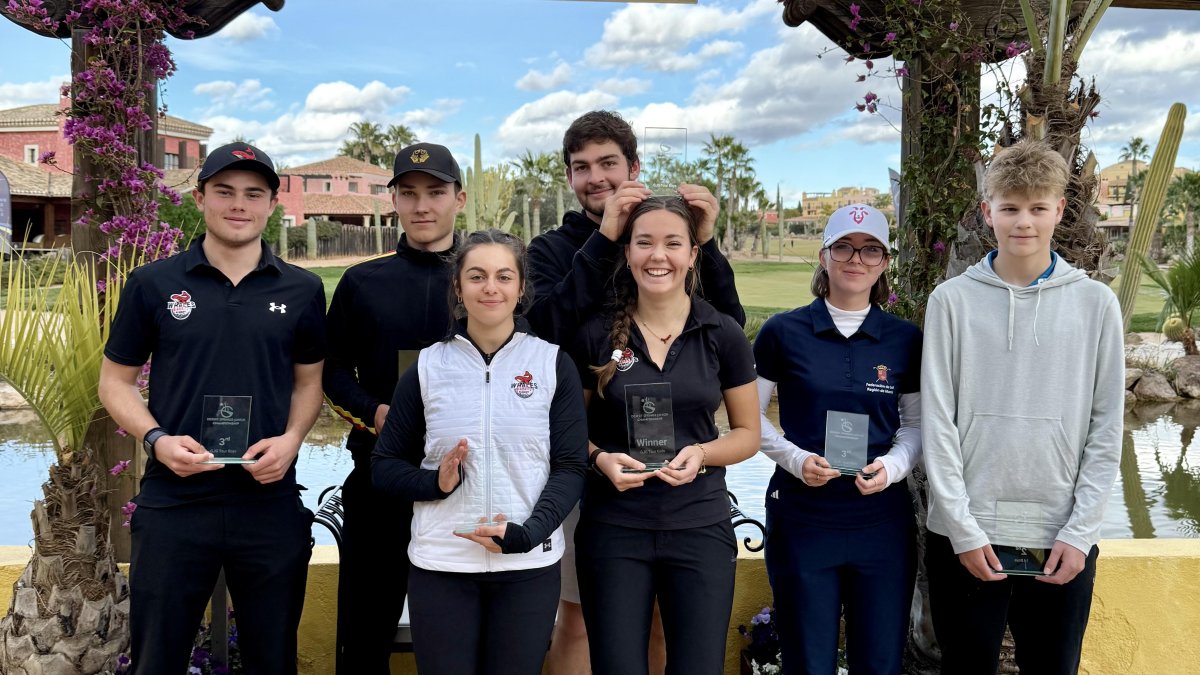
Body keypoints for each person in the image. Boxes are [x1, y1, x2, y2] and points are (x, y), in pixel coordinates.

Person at [98, 143, 326, 675]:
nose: (239, 204)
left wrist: (292, 440)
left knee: (273, 660)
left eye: (254, 193)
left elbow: (309, 383)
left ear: (272, 204)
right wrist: (157, 440)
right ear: (200, 198)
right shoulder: (153, 284)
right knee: (156, 660)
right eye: (224, 191)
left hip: (268, 500)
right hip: (175, 500)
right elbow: (115, 382)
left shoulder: (303, 289)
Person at [532, 109, 744, 675]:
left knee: (661, 624)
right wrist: (604, 239)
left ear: (634, 168)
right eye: (582, 167)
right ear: (569, 176)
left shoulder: (669, 235)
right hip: (588, 466)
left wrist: (705, 239)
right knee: (578, 618)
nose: (596, 177)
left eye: (608, 163)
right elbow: (545, 333)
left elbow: (727, 322)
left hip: (680, 489)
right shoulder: (552, 249)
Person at [922, 139, 1123, 674]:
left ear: (1060, 209)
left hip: (1060, 536)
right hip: (967, 535)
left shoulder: (1097, 304)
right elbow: (937, 422)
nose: (1024, 222)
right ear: (987, 211)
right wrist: (962, 529)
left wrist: (1080, 532)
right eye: (1010, 208)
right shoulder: (951, 301)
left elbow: (1106, 427)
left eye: (1038, 207)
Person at [372, 229, 588, 675]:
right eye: (477, 276)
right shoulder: (427, 366)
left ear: (521, 287)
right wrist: (435, 483)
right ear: (458, 286)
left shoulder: (552, 364)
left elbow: (570, 466)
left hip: (528, 565)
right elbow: (384, 466)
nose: (491, 288)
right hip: (441, 565)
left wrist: (529, 533)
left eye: (504, 276)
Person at [569, 195, 759, 675]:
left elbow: (748, 434)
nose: (658, 256)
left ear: (693, 254)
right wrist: (599, 458)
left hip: (700, 526)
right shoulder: (594, 334)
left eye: (673, 243)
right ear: (627, 252)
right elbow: (567, 433)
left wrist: (702, 453)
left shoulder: (723, 333)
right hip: (614, 528)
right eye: (645, 242)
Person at [754, 204, 922, 674]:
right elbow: (750, 418)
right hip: (803, 517)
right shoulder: (782, 332)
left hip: (881, 521)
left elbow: (916, 426)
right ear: (824, 256)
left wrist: (891, 468)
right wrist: (795, 459)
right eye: (844, 247)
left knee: (880, 662)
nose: (856, 259)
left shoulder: (905, 339)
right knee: (807, 662)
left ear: (884, 263)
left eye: (870, 250)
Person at [323, 142, 464, 674]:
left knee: (459, 637)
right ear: (395, 201)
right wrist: (376, 413)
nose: (422, 205)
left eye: (435, 192)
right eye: (409, 193)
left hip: (469, 483)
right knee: (365, 634)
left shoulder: (488, 278)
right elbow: (332, 370)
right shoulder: (363, 282)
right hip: (382, 477)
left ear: (459, 198)